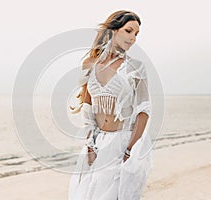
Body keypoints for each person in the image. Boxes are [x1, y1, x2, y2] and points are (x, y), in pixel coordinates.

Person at [69, 10, 153, 200]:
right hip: (97, 143)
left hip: (123, 142)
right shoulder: (89, 64)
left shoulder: (136, 66)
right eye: (128, 31)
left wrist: (130, 150)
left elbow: (143, 111)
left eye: (136, 34)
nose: (133, 38)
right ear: (113, 30)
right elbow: (88, 107)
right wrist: (90, 145)